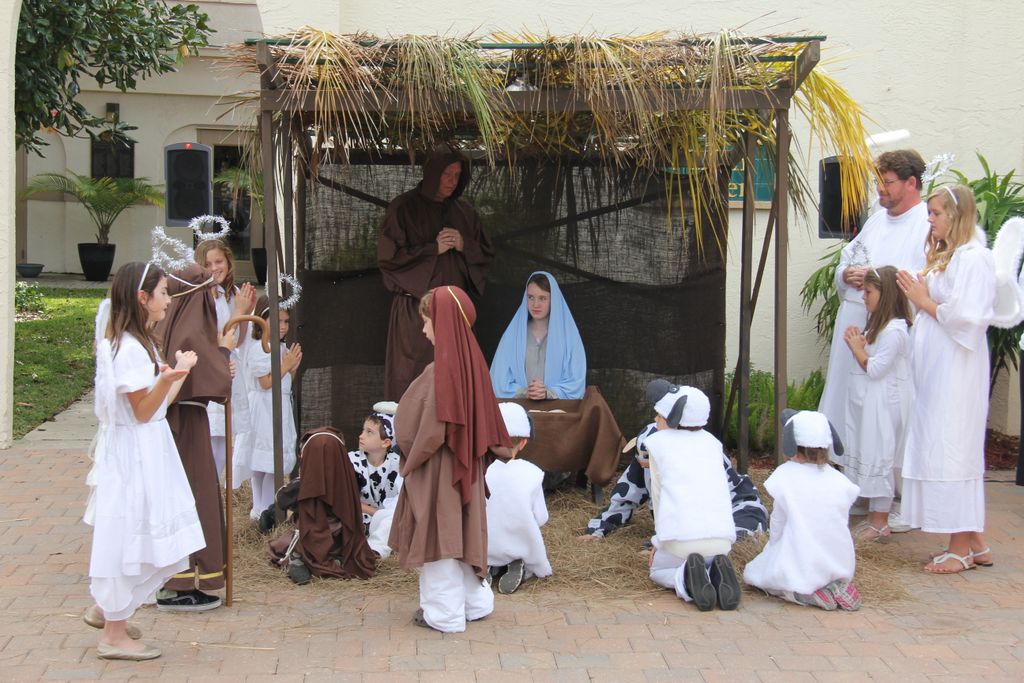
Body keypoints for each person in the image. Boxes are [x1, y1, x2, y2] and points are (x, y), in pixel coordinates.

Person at [85, 262, 205, 660]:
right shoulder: (129, 348)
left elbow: (156, 406)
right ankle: (113, 631)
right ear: (142, 297)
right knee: (129, 532)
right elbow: (142, 411)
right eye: (164, 292)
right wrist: (169, 378)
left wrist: (177, 374)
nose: (168, 300)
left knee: (145, 534)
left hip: (147, 448)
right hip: (135, 455)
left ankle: (109, 610)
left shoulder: (140, 343)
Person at [388, 286, 511, 633]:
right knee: (462, 533)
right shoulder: (474, 365)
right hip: (465, 468)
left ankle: (443, 615)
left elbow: (417, 428)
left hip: (440, 470)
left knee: (439, 536)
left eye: (428, 320)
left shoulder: (440, 371)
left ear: (443, 322)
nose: (424, 328)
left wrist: (407, 448)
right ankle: (474, 603)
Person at [818, 150, 929, 532]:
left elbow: (923, 278)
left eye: (888, 183)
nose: (879, 190)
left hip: (891, 332)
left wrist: (876, 278)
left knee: (883, 415)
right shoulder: (878, 220)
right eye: (878, 182)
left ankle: (892, 496)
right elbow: (847, 260)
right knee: (851, 404)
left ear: (911, 183)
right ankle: (860, 488)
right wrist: (847, 273)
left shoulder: (924, 224)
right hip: (855, 323)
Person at [896, 185, 997, 574]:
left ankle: (960, 549)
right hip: (938, 369)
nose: (930, 219)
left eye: (936, 213)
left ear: (957, 216)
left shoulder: (974, 259)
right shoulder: (949, 256)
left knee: (953, 445)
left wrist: (923, 300)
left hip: (957, 370)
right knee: (940, 441)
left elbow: (970, 318)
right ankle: (975, 541)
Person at [377, 145, 496, 400]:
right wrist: (433, 250)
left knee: (456, 377)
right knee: (412, 380)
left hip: (455, 314)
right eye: (447, 174)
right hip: (415, 314)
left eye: (457, 175)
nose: (453, 181)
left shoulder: (464, 212)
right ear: (433, 174)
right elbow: (388, 259)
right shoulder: (403, 208)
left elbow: (486, 254)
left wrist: (463, 245)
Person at [155, 263, 234, 611]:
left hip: (180, 422)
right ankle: (180, 582)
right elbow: (209, 375)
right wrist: (224, 353)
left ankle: (177, 579)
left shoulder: (170, 322)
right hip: (183, 423)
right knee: (192, 495)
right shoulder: (189, 325)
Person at [743, 410, 862, 611]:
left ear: (792, 447)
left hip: (802, 558)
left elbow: (778, 521)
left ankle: (805, 594)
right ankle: (836, 586)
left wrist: (773, 546)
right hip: (838, 559)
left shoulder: (785, 476)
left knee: (757, 575)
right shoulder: (839, 480)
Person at [581, 422, 768, 541]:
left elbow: (697, 511)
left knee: (732, 538)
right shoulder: (645, 457)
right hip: (686, 529)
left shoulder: (699, 454)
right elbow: (626, 496)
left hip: (734, 513)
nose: (643, 463)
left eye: (649, 457)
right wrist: (599, 529)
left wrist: (659, 545)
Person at [644, 382, 741, 611]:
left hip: (680, 541)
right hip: (722, 541)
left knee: (657, 570)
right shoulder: (713, 444)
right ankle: (714, 570)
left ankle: (685, 580)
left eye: (659, 415)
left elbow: (660, 499)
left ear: (673, 417)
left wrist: (658, 542)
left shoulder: (657, 444)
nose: (655, 420)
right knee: (705, 557)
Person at [842, 266, 913, 540]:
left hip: (886, 405)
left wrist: (857, 348)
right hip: (874, 403)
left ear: (885, 295)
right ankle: (874, 517)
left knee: (881, 455)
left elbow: (875, 369)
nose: (864, 298)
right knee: (872, 452)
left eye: (869, 292)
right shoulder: (880, 328)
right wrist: (858, 344)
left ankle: (880, 522)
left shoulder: (895, 331)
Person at [267, 427, 377, 582]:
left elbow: (281, 499)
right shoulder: (349, 481)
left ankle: (300, 558)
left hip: (311, 541)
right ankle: (334, 561)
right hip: (343, 542)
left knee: (280, 544)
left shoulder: (303, 486)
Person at [194, 239, 257, 480]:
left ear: (228, 262)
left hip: (230, 366)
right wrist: (239, 312)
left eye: (218, 261)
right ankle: (205, 488)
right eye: (207, 264)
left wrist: (244, 312)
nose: (214, 268)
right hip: (211, 368)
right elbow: (217, 338)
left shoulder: (232, 294)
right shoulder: (200, 296)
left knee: (222, 442)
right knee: (210, 437)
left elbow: (237, 341)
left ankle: (213, 488)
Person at [235, 295, 301, 520]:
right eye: (277, 321)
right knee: (266, 461)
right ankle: (263, 510)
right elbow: (265, 383)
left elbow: (283, 384)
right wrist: (285, 366)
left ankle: (265, 510)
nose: (283, 326)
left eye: (286, 321)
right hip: (265, 409)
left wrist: (291, 369)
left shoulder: (280, 347)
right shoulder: (260, 348)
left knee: (272, 463)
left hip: (278, 406)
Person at [485, 402, 552, 594]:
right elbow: (541, 517)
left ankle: (486, 565)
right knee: (523, 535)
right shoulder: (532, 472)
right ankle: (517, 562)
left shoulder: (478, 471)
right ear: (523, 442)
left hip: (482, 542)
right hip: (518, 540)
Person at [490, 271, 586, 400]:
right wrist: (525, 392)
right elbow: (498, 381)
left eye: (542, 298)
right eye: (530, 297)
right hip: (520, 410)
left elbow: (576, 382)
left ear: (554, 300)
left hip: (560, 410)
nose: (535, 304)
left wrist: (548, 393)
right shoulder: (512, 337)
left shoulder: (570, 338)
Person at [348, 412, 403, 558]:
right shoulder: (351, 461)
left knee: (393, 521)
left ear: (386, 443)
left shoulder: (398, 464)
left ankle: (374, 551)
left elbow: (400, 501)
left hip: (385, 520)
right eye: (363, 430)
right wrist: (374, 511)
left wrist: (381, 514)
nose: (361, 436)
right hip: (358, 519)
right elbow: (346, 499)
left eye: (369, 432)